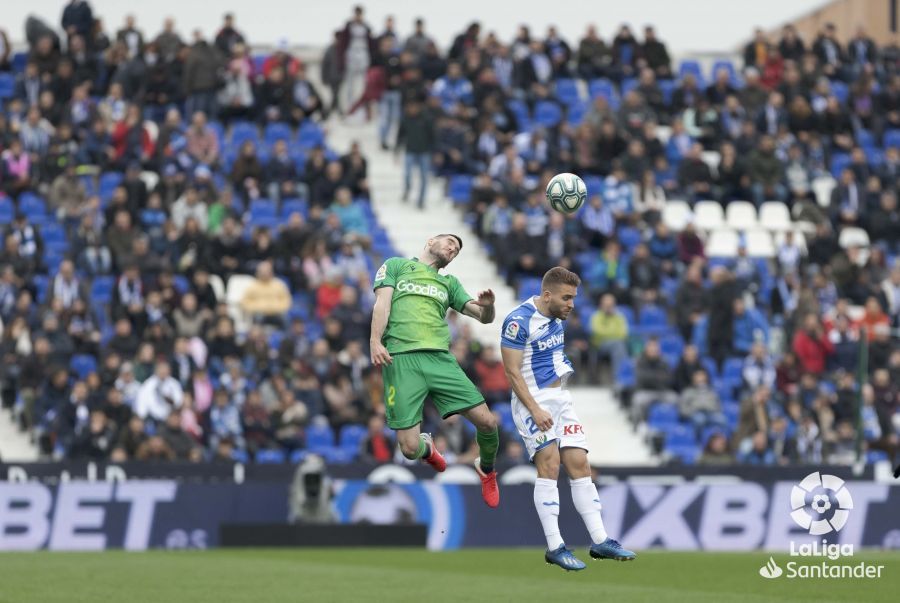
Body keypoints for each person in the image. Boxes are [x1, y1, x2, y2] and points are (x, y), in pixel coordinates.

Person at [500, 267, 635, 571]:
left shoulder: (557, 315)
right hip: (533, 402)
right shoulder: (518, 321)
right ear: (547, 295)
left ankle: (600, 540)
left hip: (561, 398)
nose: (572, 304)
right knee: (550, 465)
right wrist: (534, 408)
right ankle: (554, 546)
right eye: (567, 297)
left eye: (573, 297)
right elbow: (511, 371)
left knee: (581, 464)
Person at [370, 234, 500, 507]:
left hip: (439, 359)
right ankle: (426, 447)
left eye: (457, 249)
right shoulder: (396, 266)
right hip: (401, 360)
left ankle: (487, 469)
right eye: (450, 242)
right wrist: (375, 341)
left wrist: (488, 308)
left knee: (488, 422)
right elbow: (382, 304)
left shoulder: (449, 283)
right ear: (430, 241)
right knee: (408, 449)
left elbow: (483, 317)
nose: (454, 248)